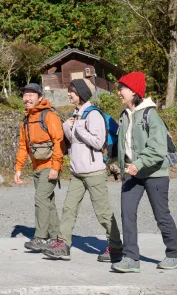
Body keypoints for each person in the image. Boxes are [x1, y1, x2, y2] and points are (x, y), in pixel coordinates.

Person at [42, 79, 123, 263]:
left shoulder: (93, 114)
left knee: (102, 212)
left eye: (72, 91)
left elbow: (98, 141)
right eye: (69, 91)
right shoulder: (76, 114)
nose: (69, 94)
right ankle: (63, 245)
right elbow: (74, 140)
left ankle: (116, 247)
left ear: (81, 94)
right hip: (77, 172)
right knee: (69, 208)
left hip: (94, 172)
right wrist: (67, 128)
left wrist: (78, 127)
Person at [110, 72, 177, 273]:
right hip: (132, 174)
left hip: (155, 173)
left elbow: (158, 147)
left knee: (161, 215)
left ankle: (174, 255)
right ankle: (131, 257)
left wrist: (139, 163)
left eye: (122, 88)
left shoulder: (150, 115)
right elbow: (123, 145)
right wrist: (116, 164)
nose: (119, 92)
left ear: (134, 91)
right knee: (127, 214)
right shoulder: (124, 115)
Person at [14, 83, 64, 252]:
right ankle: (56, 237)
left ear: (40, 97)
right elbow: (23, 146)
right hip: (36, 167)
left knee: (41, 199)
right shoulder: (26, 120)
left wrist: (55, 168)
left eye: (31, 95)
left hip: (49, 165)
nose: (27, 98)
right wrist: (18, 168)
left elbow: (59, 142)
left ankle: (41, 237)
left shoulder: (49, 116)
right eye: (25, 95)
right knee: (48, 202)